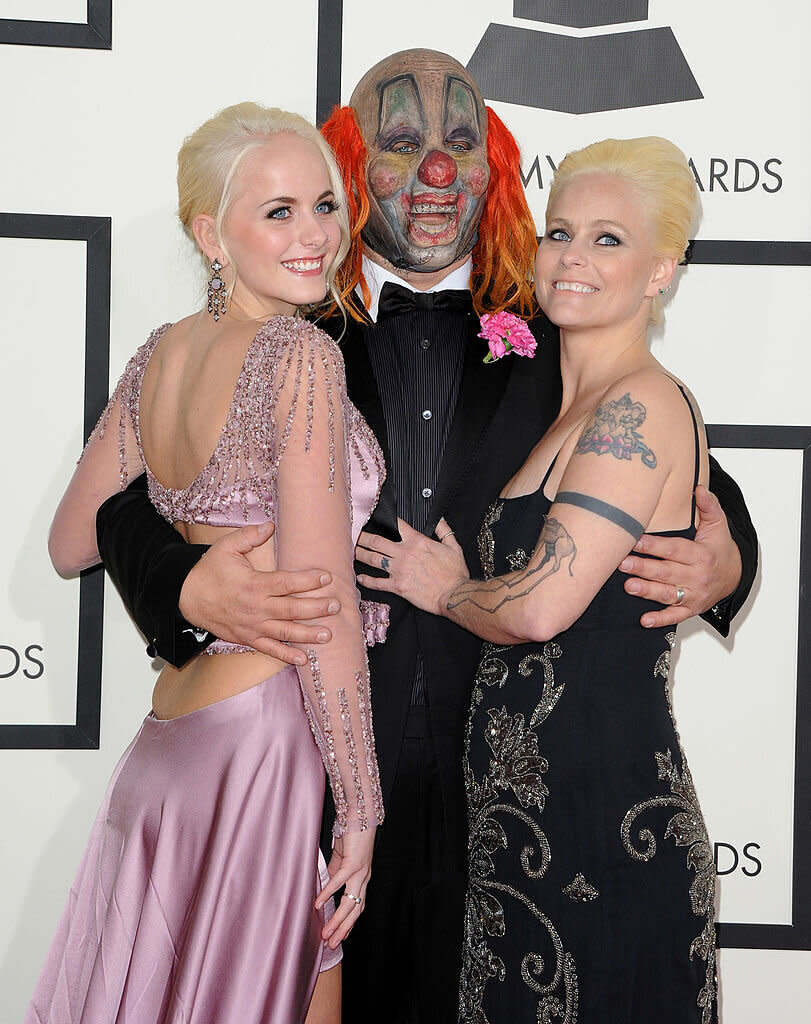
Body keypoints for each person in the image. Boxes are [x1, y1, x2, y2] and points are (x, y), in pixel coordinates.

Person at [92, 52, 757, 1023]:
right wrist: (187, 586)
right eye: (401, 144)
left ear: (493, 168)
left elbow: (697, 480)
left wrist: (725, 555)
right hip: (309, 776)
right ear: (350, 169)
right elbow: (119, 496)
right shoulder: (274, 315)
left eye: (458, 144)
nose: (435, 173)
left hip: (508, 793)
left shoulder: (563, 322)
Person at [27, 103, 384, 1024]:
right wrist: (358, 806)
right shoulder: (299, 354)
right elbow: (323, 608)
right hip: (258, 748)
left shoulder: (162, 356)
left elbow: (74, 538)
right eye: (277, 212)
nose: (314, 236)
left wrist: (188, 564)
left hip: (168, 751)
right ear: (207, 234)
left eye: (325, 205)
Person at [356, 136, 725, 1022]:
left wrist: (441, 587)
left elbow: (541, 607)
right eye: (560, 231)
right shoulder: (570, 404)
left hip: (600, 817)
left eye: (608, 240)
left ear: (659, 274)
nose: (570, 257)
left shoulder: (637, 405)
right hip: (522, 827)